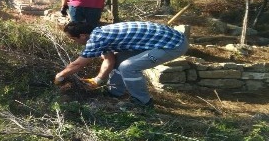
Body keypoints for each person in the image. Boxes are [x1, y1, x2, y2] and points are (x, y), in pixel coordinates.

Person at [54, 21, 188, 108]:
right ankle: (115, 93)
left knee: (128, 67)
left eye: (72, 39)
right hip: (161, 41)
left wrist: (60, 76)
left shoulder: (97, 38)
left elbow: (78, 65)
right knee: (119, 61)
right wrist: (98, 80)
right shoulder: (101, 34)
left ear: (82, 35)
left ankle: (143, 102)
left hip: (172, 45)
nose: (73, 42)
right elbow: (110, 60)